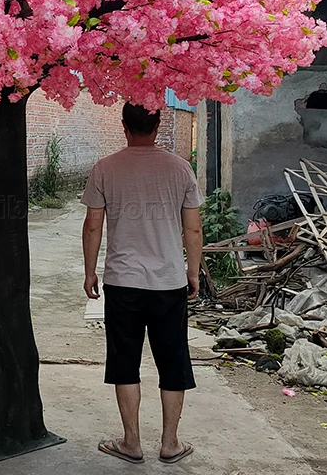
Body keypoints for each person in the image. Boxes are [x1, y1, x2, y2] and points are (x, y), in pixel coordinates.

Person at [82, 102, 203, 465]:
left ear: (123, 126)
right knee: (173, 361)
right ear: (158, 124)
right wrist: (192, 272)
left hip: (123, 282)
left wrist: (90, 272)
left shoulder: (105, 168)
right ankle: (170, 444)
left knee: (125, 361)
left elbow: (92, 225)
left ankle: (131, 443)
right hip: (168, 282)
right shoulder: (181, 168)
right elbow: (193, 228)